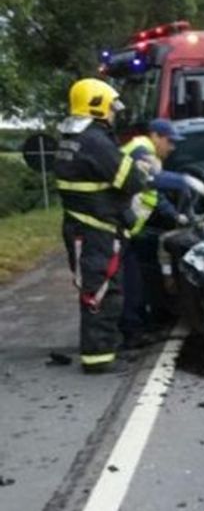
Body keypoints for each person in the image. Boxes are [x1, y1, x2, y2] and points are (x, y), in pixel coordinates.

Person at [54, 78, 149, 373]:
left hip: (83, 226)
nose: (113, 114)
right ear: (96, 106)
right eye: (110, 108)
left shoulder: (71, 137)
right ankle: (98, 358)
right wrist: (142, 170)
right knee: (102, 292)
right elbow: (130, 181)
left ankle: (105, 347)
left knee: (97, 288)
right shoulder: (94, 140)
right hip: (96, 230)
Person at [119, 119, 204, 346]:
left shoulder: (149, 154)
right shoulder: (142, 150)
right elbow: (150, 180)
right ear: (155, 136)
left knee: (137, 277)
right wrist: (182, 180)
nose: (172, 147)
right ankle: (132, 332)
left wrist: (176, 216)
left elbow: (153, 195)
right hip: (118, 228)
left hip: (128, 229)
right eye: (169, 141)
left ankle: (141, 323)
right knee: (131, 283)